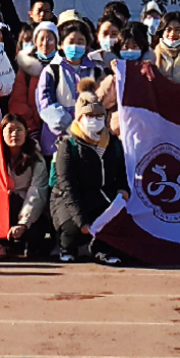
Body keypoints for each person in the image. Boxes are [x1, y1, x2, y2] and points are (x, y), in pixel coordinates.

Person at [50, 86, 127, 265]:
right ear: (79, 117)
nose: (95, 120)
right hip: (68, 198)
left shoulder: (113, 143)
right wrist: (81, 221)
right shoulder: (68, 145)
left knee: (115, 221)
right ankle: (67, 247)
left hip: (100, 195)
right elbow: (67, 186)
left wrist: (123, 190)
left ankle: (102, 250)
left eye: (99, 116)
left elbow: (122, 173)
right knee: (73, 228)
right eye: (89, 116)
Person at [35, 20, 102, 151]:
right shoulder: (52, 70)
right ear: (61, 44)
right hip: (57, 142)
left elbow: (102, 103)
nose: (75, 46)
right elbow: (45, 104)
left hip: (90, 140)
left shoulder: (96, 71)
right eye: (71, 42)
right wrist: (71, 126)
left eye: (80, 42)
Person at [0, 116, 52, 260]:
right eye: (10, 130)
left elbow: (37, 190)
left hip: (31, 207)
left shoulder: (35, 155)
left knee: (35, 240)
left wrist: (23, 223)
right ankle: (2, 243)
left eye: (19, 130)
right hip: (5, 207)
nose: (14, 134)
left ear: (26, 132)